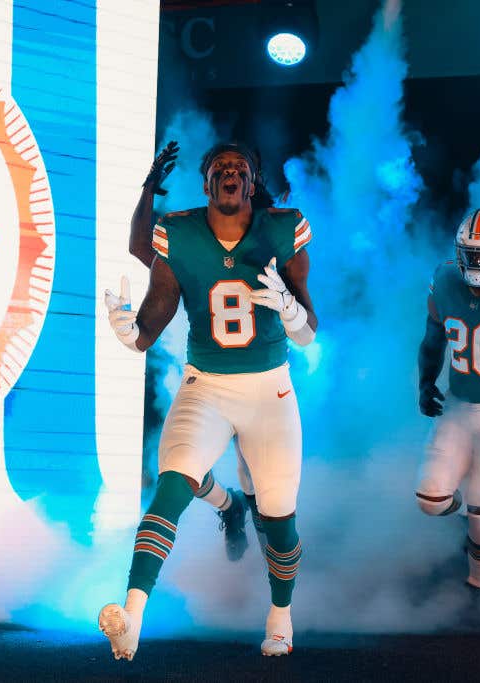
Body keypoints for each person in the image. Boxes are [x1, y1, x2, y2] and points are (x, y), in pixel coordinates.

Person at [100, 142, 317, 659]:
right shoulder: (179, 234)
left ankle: (281, 614)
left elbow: (309, 331)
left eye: (239, 168)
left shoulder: (281, 228)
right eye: (219, 168)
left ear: (251, 181)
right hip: (208, 385)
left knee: (280, 514)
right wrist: (127, 332)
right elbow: (149, 329)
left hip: (270, 389)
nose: (229, 173)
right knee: (173, 482)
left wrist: (288, 310)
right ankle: (132, 616)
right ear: (206, 184)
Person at [416, 208, 480, 592]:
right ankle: (466, 519)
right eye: (473, 255)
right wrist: (425, 383)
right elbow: (432, 340)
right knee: (431, 498)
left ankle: (476, 587)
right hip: (459, 407)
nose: (477, 265)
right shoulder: (445, 279)